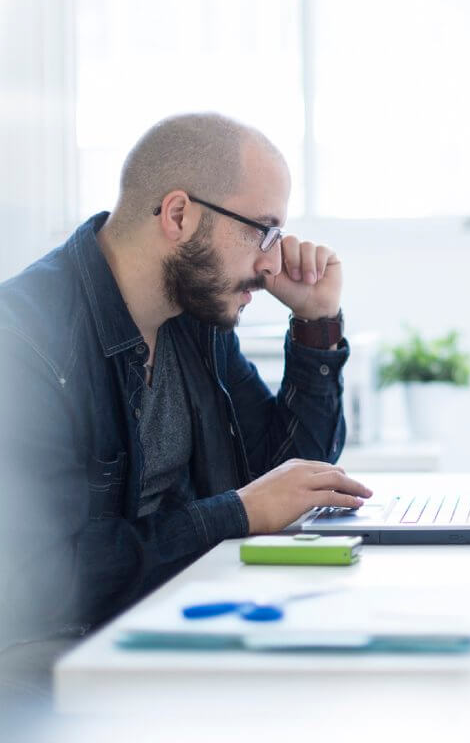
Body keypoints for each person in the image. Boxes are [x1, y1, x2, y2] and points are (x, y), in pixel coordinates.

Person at [0, 112, 371, 653]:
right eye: (262, 230)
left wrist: (316, 323)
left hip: (177, 620)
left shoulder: (196, 320)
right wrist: (235, 513)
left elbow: (286, 481)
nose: (271, 264)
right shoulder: (24, 340)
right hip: (55, 658)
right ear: (179, 215)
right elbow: (37, 582)